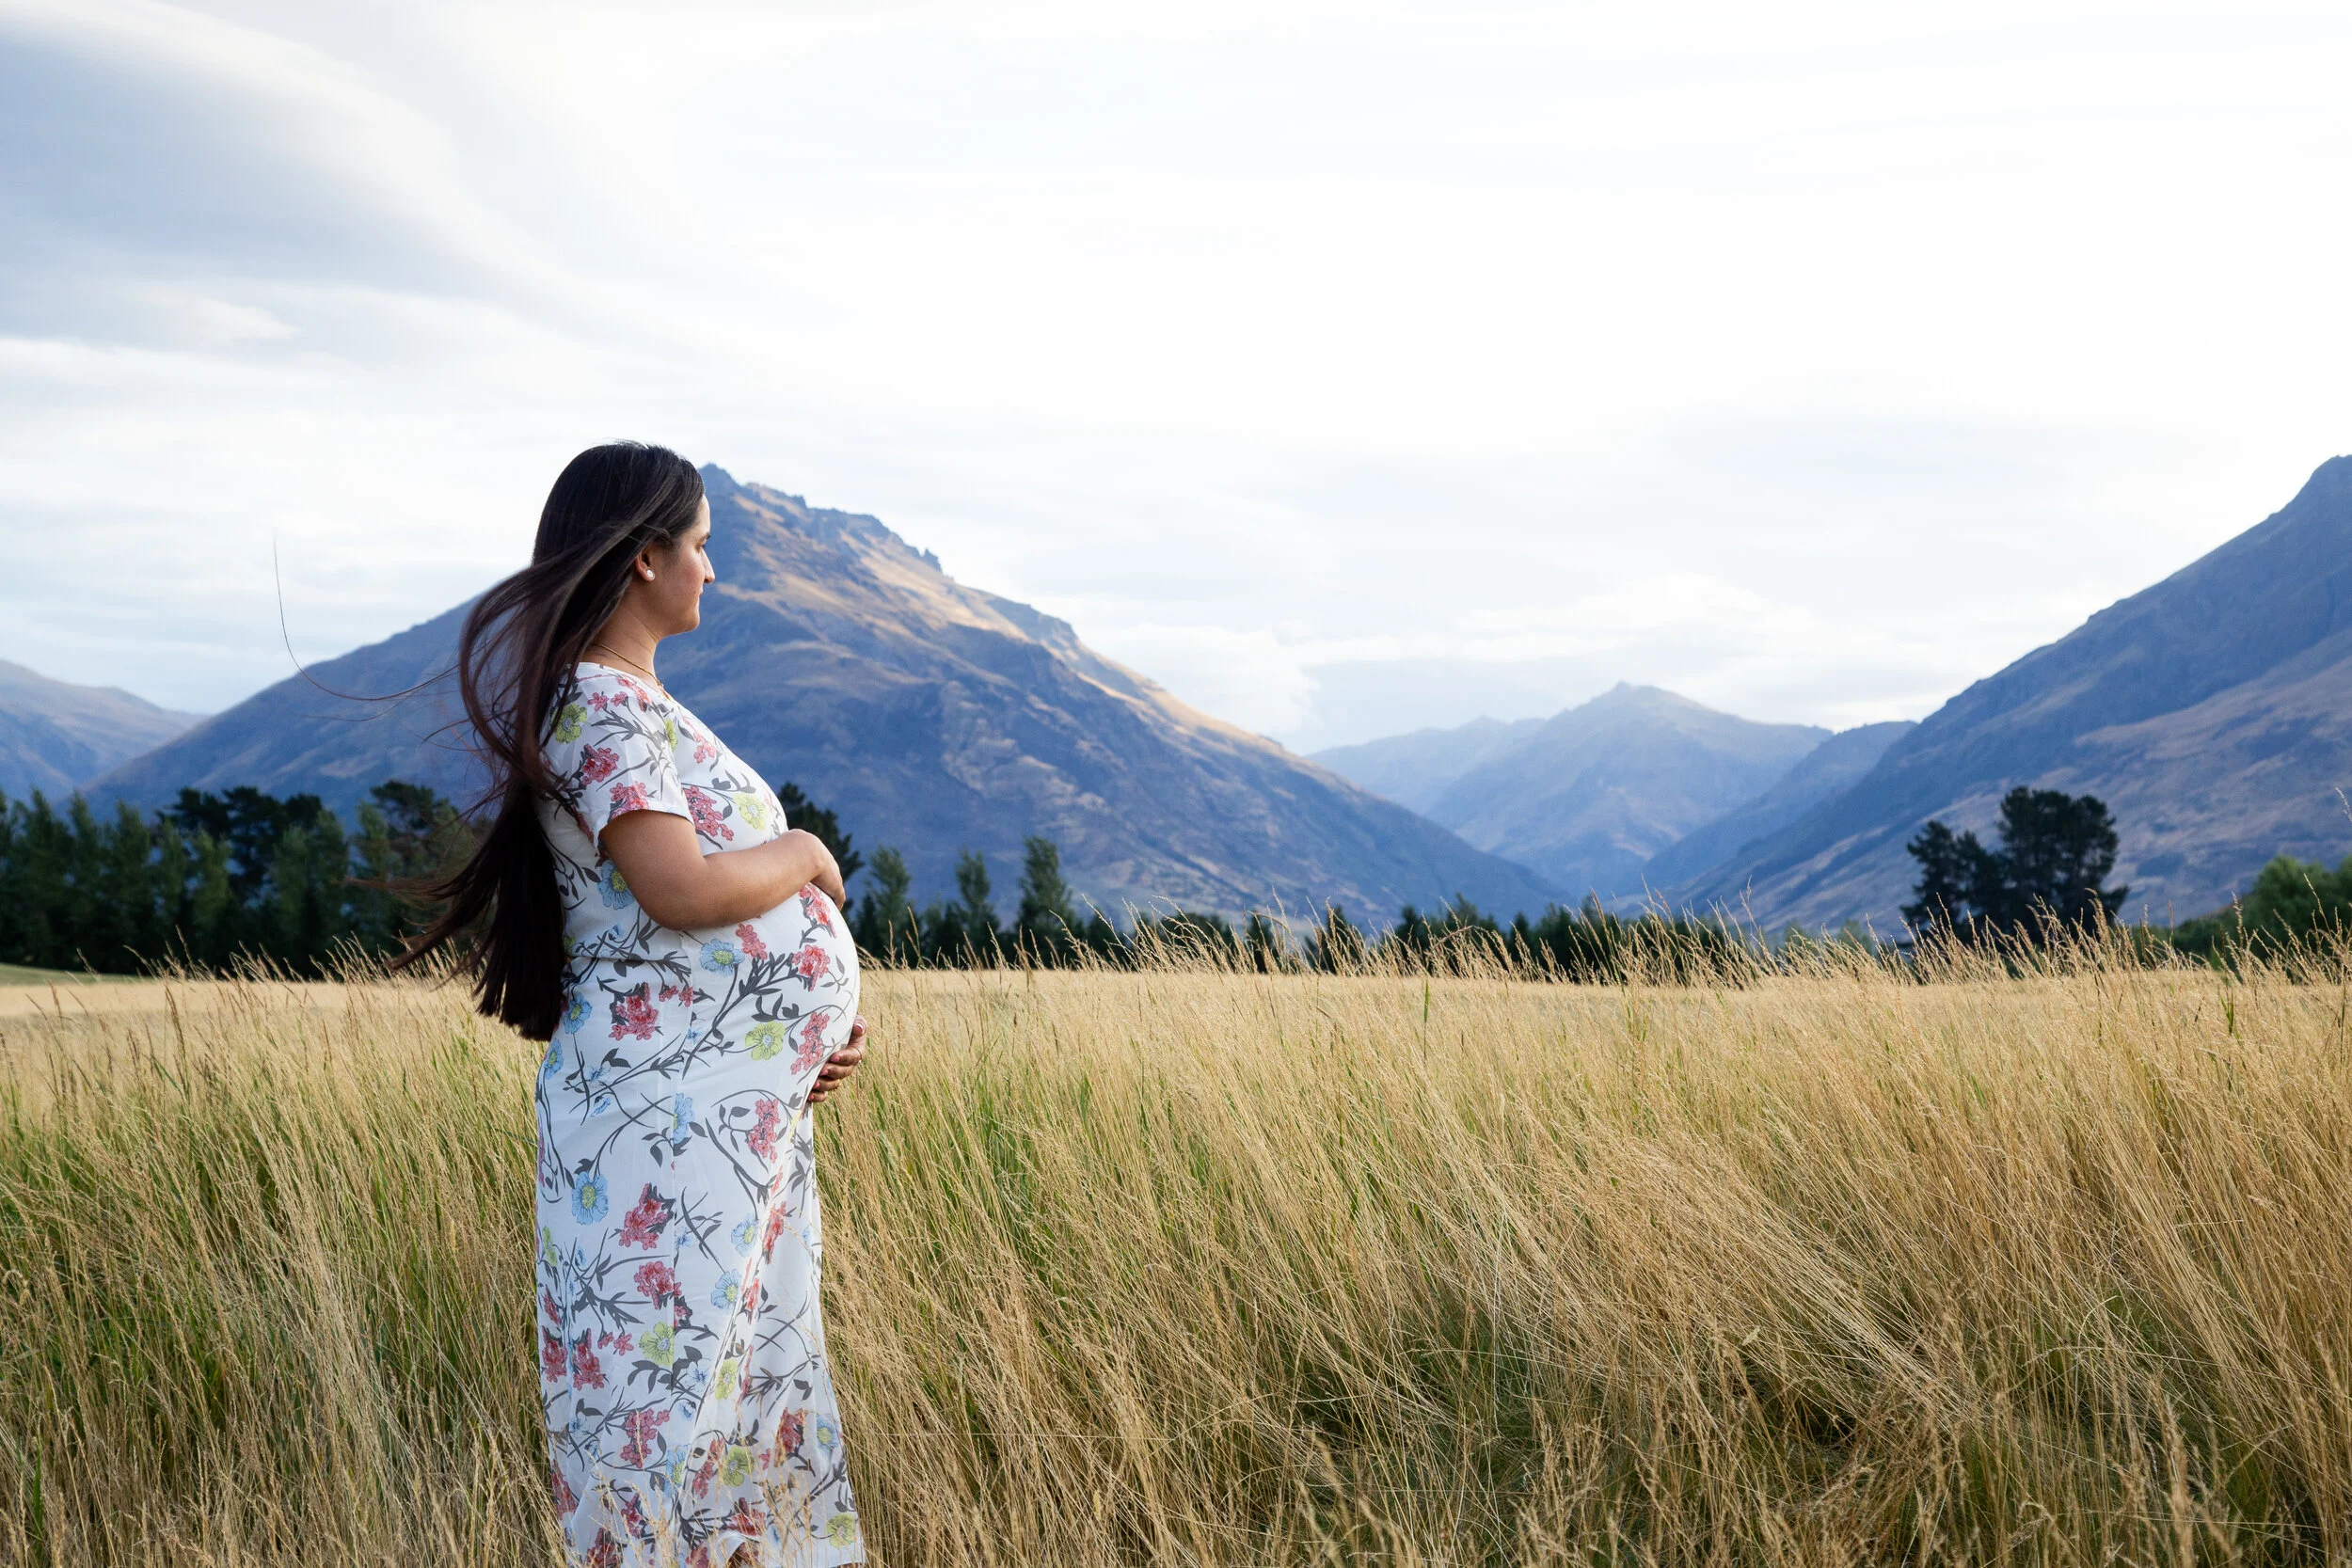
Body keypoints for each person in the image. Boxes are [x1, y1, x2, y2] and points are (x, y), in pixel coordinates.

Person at [399, 441, 868, 1566]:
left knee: (725, 1397)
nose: (714, 570)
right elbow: (678, 887)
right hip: (666, 1134)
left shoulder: (626, 701)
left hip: (716, 1123)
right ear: (647, 555)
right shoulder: (601, 706)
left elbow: (659, 930)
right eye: (702, 546)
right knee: (663, 1412)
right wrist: (803, 851)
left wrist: (787, 1045)